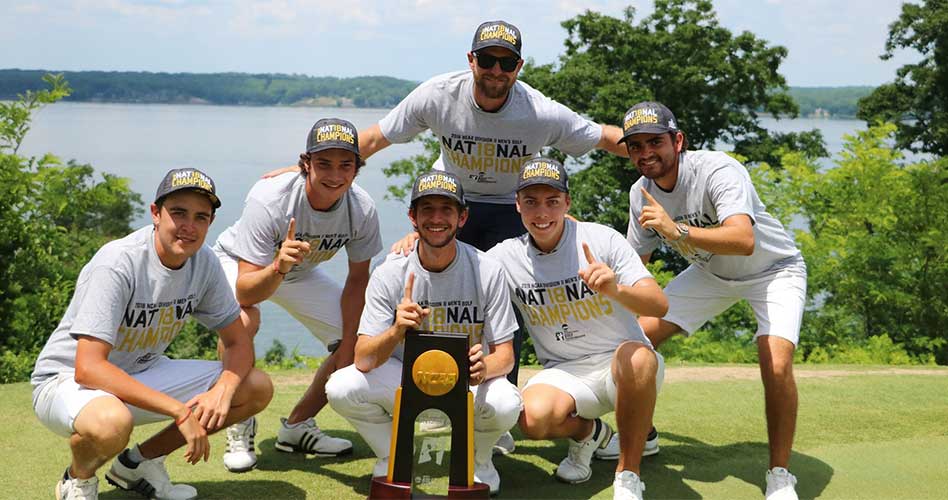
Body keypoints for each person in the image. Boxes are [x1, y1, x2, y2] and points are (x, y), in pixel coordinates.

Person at [31, 168, 274, 500]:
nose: (189, 226)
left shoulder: (204, 262)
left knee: (253, 387)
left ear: (210, 223)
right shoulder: (118, 262)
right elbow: (88, 367)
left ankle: (138, 463)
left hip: (141, 371)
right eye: (178, 213)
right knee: (110, 423)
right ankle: (78, 480)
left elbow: (237, 340)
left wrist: (224, 389)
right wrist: (179, 410)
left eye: (201, 217)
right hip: (65, 381)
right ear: (156, 214)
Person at [620, 101, 807, 500]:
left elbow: (743, 239)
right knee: (633, 342)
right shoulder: (640, 194)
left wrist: (678, 231)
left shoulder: (717, 169)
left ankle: (779, 474)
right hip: (710, 274)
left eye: (655, 141)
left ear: (678, 140)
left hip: (774, 271)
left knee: (775, 362)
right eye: (635, 146)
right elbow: (637, 268)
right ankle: (642, 438)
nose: (646, 153)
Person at [325, 171, 522, 495]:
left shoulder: (486, 269)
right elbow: (362, 359)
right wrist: (396, 331)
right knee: (342, 387)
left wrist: (485, 366)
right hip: (405, 379)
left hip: (464, 382)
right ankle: (394, 455)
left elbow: (506, 356)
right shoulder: (389, 273)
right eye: (427, 209)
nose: (437, 218)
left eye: (447, 209)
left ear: (463, 217)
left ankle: (479, 458)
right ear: (412, 217)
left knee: (505, 402)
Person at [487, 158, 667, 500]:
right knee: (533, 420)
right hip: (564, 371)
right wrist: (417, 238)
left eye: (552, 201)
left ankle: (628, 475)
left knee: (639, 357)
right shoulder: (504, 257)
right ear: (517, 205)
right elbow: (461, 267)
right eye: (531, 202)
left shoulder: (601, 239)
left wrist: (616, 290)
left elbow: (658, 304)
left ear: (567, 203)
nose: (542, 213)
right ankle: (590, 434)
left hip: (622, 365)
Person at [212, 118, 382, 472]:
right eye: (323, 163)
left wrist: (350, 342)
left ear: (357, 167)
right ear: (306, 164)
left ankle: (297, 426)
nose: (334, 175)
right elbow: (244, 288)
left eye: (345, 165)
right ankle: (239, 424)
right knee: (243, 321)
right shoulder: (270, 198)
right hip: (243, 264)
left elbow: (357, 282)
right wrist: (277, 267)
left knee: (357, 338)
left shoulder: (362, 209)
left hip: (297, 270)